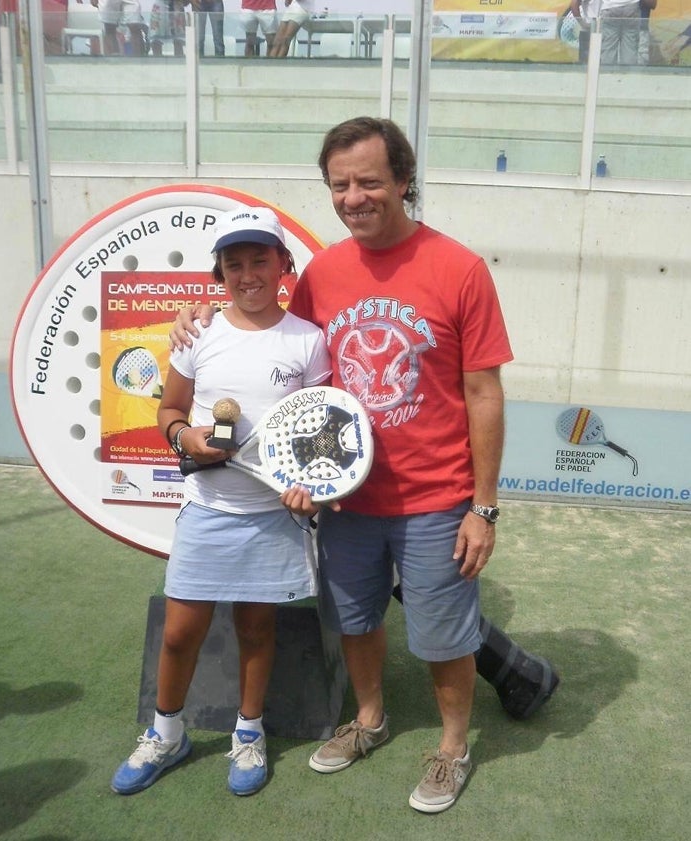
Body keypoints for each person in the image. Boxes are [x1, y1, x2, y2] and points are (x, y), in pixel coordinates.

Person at [170, 118, 559, 813]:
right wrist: (200, 313)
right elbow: (277, 343)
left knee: (442, 634)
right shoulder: (323, 271)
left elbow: (482, 391)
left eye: (369, 181)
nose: (354, 196)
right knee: (355, 620)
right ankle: (370, 719)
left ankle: (450, 748)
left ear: (403, 180)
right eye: (340, 184)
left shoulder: (459, 268)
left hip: (436, 495)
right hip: (343, 495)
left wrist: (484, 504)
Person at [110, 206, 331, 797]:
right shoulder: (198, 332)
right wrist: (188, 440)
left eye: (260, 259)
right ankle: (167, 733)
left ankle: (249, 732)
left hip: (271, 516)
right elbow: (168, 411)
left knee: (257, 629)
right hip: (209, 510)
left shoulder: (308, 341)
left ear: (283, 264)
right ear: (220, 274)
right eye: (234, 264)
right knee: (180, 633)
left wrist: (309, 485)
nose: (248, 273)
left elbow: (314, 433)